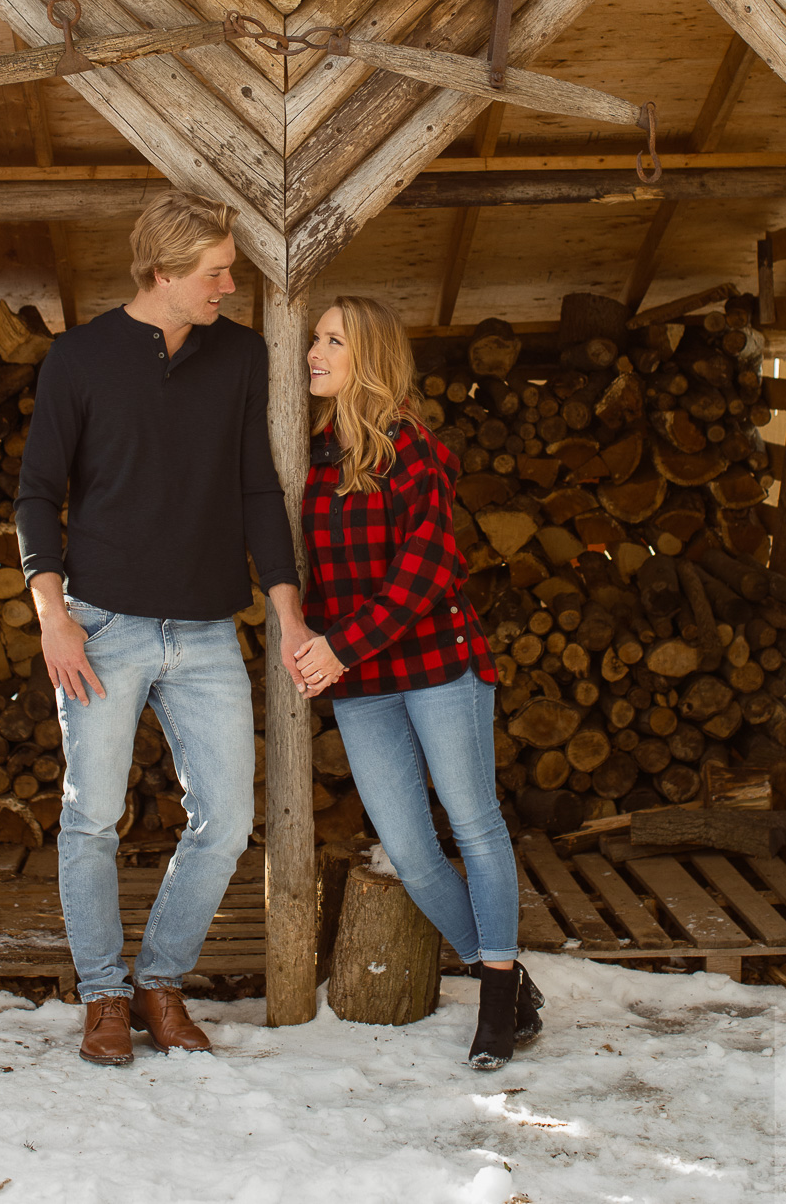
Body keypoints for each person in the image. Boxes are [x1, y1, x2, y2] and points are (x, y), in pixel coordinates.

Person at [15, 190, 306, 1067]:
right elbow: (37, 493)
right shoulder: (79, 357)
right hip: (102, 625)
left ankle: (159, 980)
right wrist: (53, 615)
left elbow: (258, 486)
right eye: (215, 272)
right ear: (163, 272)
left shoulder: (241, 354)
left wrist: (288, 611)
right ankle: (103, 994)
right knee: (93, 817)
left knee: (227, 818)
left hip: (208, 630)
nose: (228, 285)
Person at [292, 295, 543, 1070]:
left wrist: (340, 645)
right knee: (406, 845)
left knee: (475, 824)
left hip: (438, 663)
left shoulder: (411, 446)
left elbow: (428, 566)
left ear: (369, 355)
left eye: (333, 340)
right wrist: (319, 640)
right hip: (364, 680)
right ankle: (505, 974)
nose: (314, 352)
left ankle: (495, 1007)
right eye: (315, 338)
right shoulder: (314, 457)